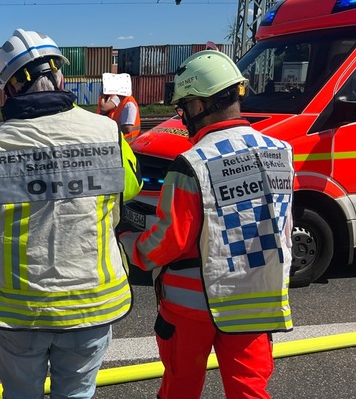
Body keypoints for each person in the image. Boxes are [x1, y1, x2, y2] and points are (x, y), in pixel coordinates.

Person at [0, 29, 142, 399]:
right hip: (92, 304)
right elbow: (130, 188)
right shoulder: (108, 133)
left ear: (10, 90)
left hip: (20, 312)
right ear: (60, 76)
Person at [117, 50, 294, 399]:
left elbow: (171, 240)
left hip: (191, 307)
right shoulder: (281, 152)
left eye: (183, 109)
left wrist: (128, 242)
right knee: (249, 392)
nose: (183, 119)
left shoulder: (193, 163)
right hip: (255, 301)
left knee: (180, 389)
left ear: (199, 106)